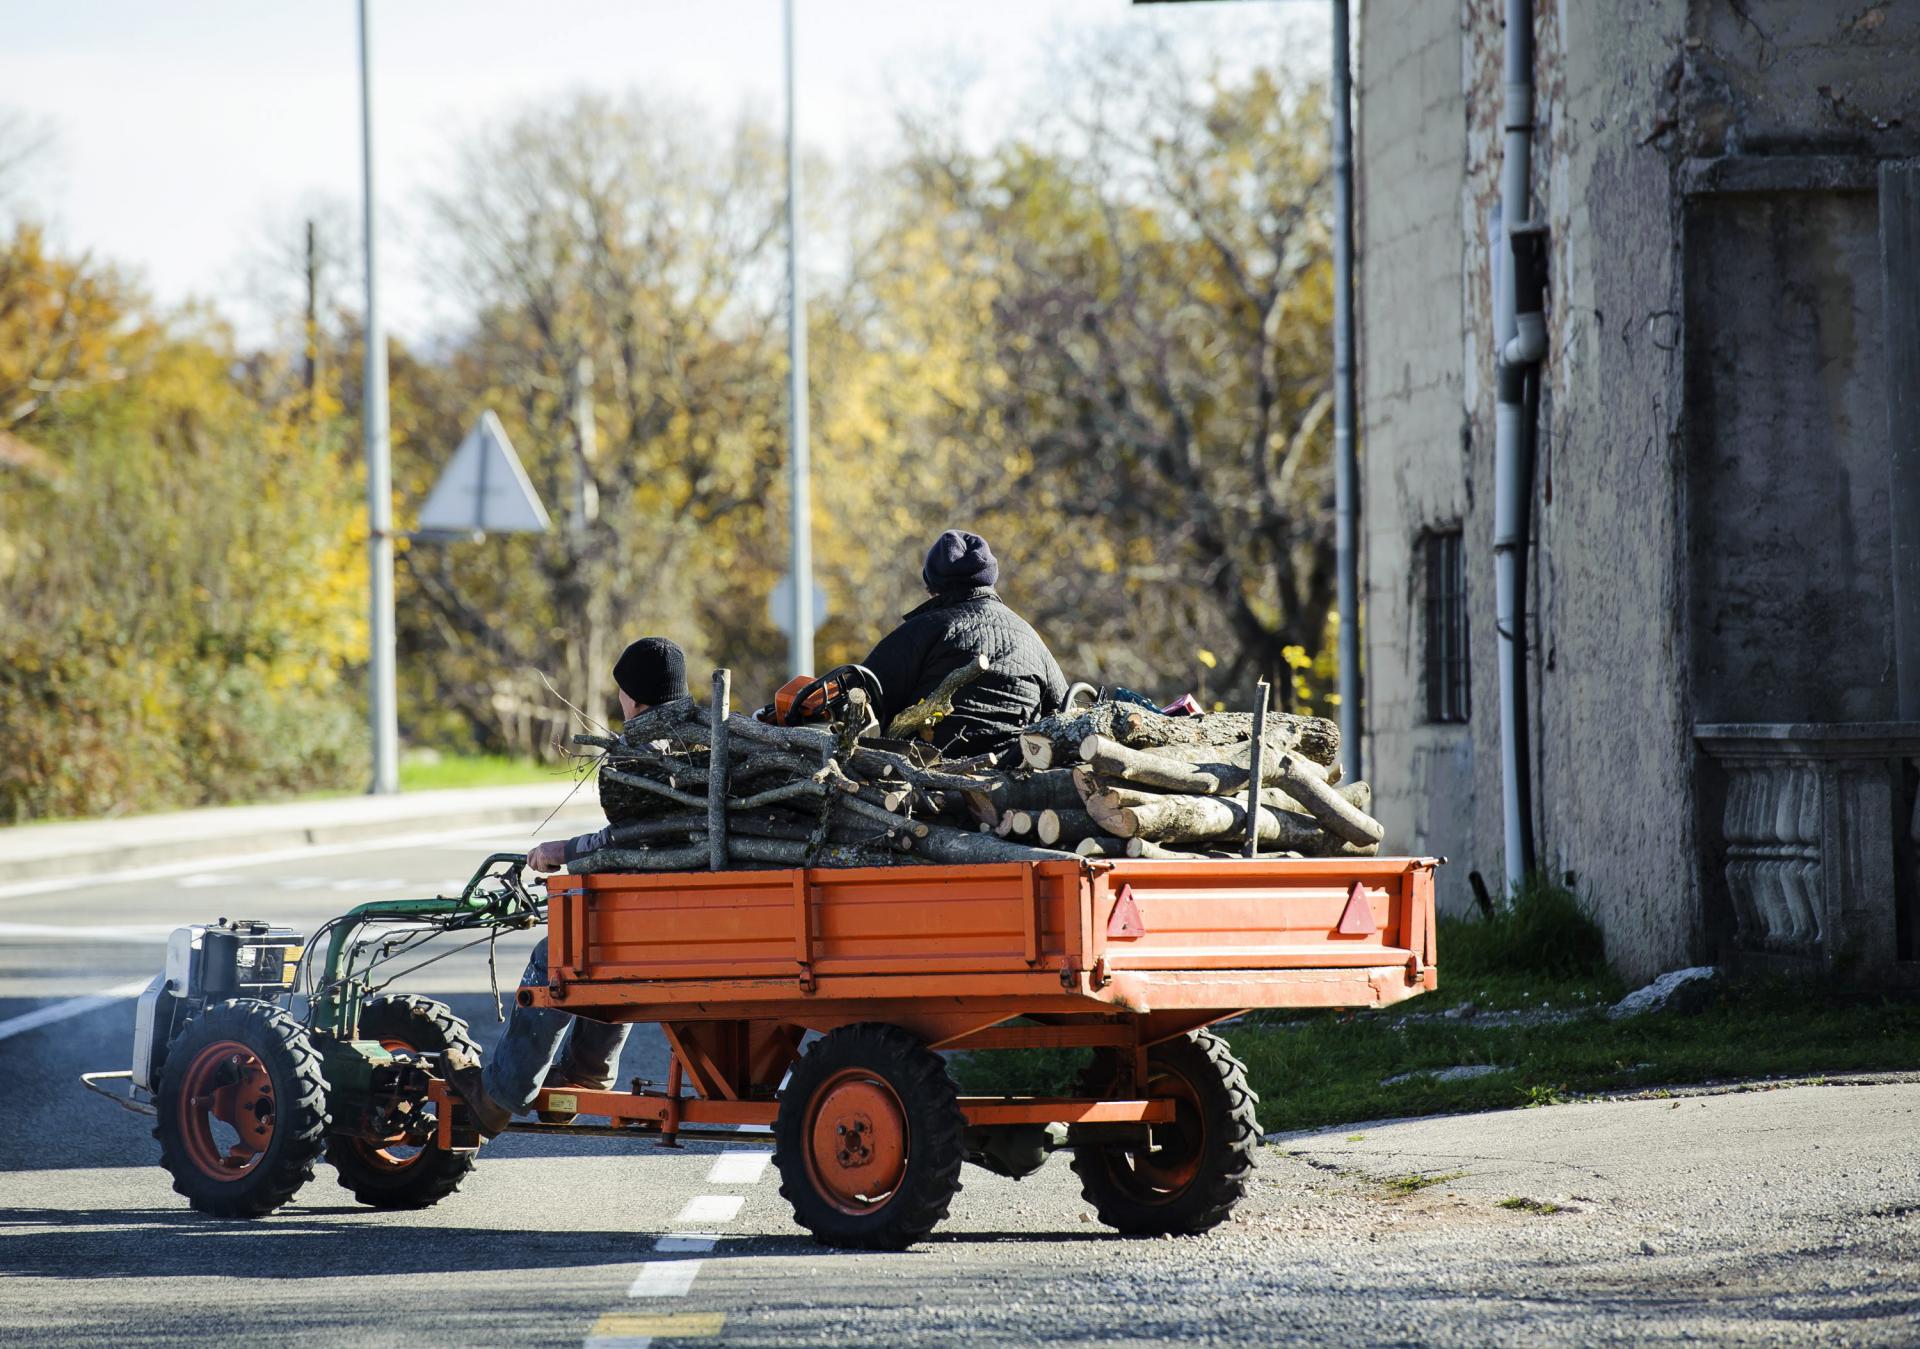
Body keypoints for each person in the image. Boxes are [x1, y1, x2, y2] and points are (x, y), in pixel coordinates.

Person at [446, 636, 687, 1136]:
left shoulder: (635, 757)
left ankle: (499, 1095)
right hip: (688, 918)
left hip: (654, 925)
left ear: (634, 697)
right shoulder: (708, 742)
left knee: (555, 957)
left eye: (622, 690)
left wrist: (564, 852)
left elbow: (628, 843)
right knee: (597, 950)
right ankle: (585, 1073)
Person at [859, 528, 1069, 757]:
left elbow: (859, 698)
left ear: (932, 586)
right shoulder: (1029, 637)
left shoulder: (919, 631)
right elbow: (1066, 712)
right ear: (990, 577)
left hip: (930, 778)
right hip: (1015, 774)